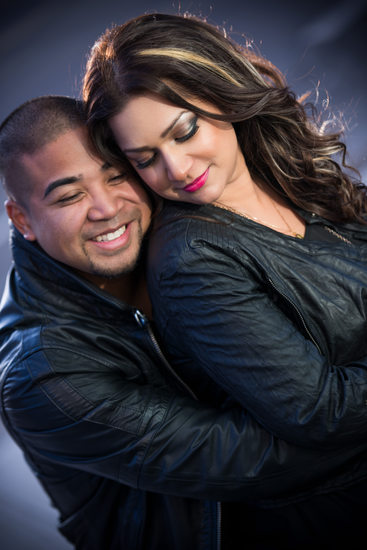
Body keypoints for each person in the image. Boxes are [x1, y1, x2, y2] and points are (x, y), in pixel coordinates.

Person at [2, 95, 361, 550]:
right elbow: (247, 461)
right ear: (22, 219)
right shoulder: (41, 374)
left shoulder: (183, 235)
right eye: (70, 196)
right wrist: (338, 397)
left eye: (118, 176)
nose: (106, 208)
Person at [82, 12, 367, 548]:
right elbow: (317, 412)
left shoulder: (288, 171)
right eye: (146, 159)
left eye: (185, 130)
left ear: (223, 91)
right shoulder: (191, 260)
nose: (178, 167)